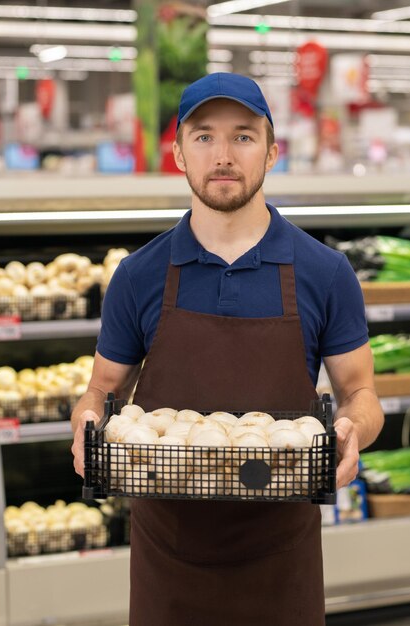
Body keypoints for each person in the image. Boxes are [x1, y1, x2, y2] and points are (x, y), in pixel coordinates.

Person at [71, 72, 384, 626]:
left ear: (271, 152)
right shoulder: (138, 276)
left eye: (243, 136)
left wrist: (352, 430)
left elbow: (360, 391)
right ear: (178, 153)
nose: (223, 154)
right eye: (204, 136)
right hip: (168, 560)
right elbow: (103, 388)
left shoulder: (325, 273)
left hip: (280, 559)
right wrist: (88, 422)